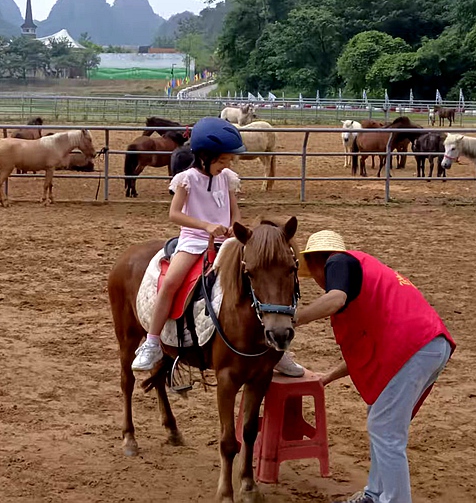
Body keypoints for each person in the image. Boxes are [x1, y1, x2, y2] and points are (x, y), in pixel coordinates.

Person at [131, 117, 303, 377]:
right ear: (204, 157)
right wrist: (206, 226)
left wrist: (234, 227)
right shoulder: (186, 179)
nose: (227, 165)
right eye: (222, 160)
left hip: (227, 242)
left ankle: (274, 349)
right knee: (171, 283)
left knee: (256, 284)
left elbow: (235, 211)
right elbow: (174, 214)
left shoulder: (227, 178)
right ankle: (153, 342)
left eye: (229, 160)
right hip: (193, 241)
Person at [294, 230, 456, 503]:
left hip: (415, 346)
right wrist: (328, 376)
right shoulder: (363, 279)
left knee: (385, 430)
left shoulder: (338, 262)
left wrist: (294, 319)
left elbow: (335, 299)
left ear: (315, 262)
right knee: (383, 423)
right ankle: (375, 494)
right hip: (425, 345)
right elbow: (364, 350)